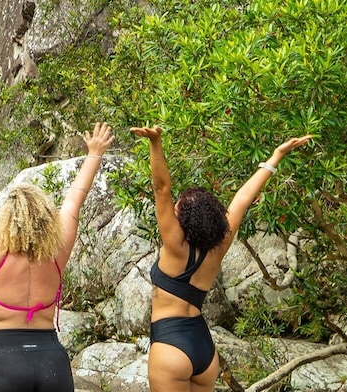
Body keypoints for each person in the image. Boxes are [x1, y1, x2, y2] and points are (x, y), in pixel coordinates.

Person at [131, 126, 312, 391]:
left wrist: (155, 143)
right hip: (203, 348)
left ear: (184, 217)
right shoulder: (220, 245)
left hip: (171, 346)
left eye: (178, 205)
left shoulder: (174, 246)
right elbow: (243, 199)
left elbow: (162, 188)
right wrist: (275, 156)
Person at [0, 122, 114, 392]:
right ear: (46, 218)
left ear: (8, 218)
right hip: (51, 361)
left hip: (4, 362)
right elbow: (75, 199)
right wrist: (94, 153)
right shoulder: (57, 252)